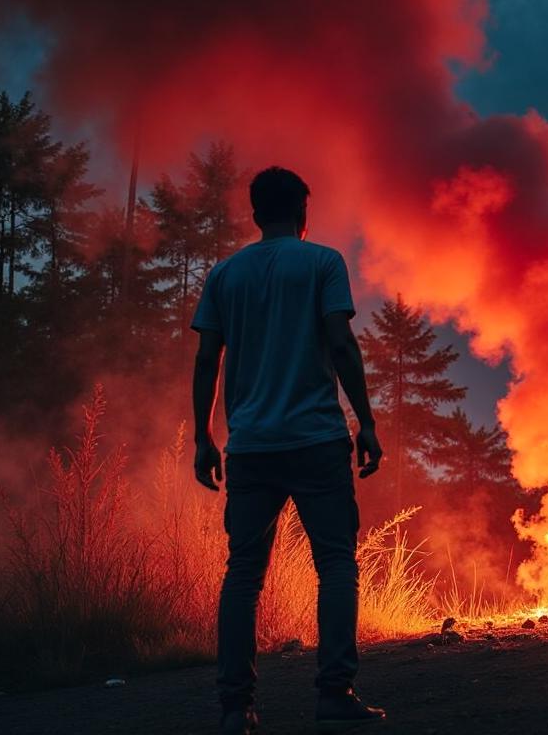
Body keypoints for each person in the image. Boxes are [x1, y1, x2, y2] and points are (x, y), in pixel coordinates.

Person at [191, 166, 386, 734]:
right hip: (317, 441)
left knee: (243, 574)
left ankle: (235, 708)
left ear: (256, 214)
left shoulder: (224, 276)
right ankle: (334, 692)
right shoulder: (323, 263)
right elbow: (341, 344)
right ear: (304, 211)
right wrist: (366, 423)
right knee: (336, 565)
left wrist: (204, 436)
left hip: (250, 447)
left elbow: (208, 360)